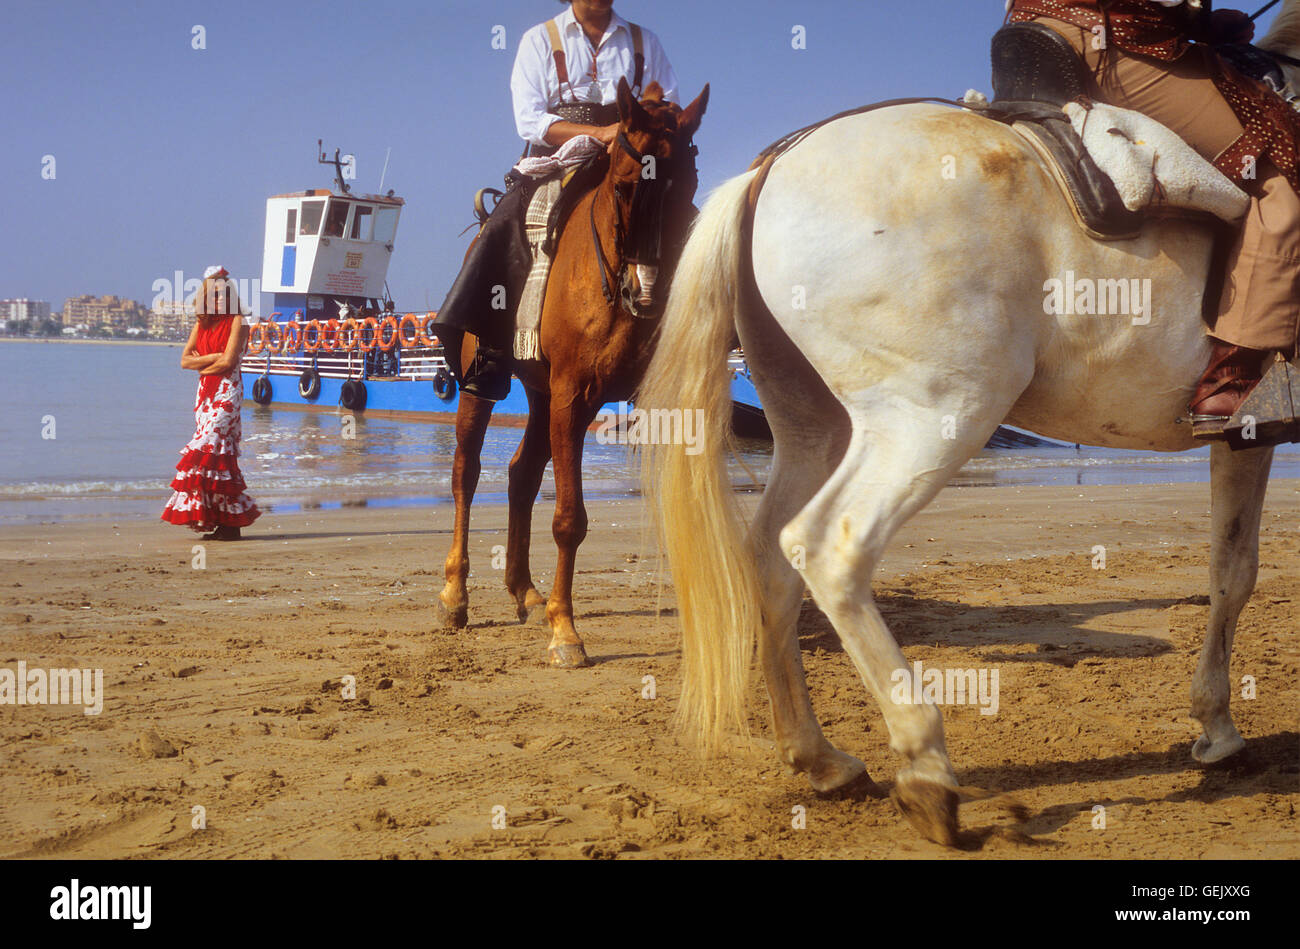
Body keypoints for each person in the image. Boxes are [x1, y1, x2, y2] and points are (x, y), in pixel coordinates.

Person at [1007, 0, 1300, 440]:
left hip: (1029, 39)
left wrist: (1203, 23)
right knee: (1277, 175)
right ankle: (1229, 382)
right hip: (1113, 46)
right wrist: (1191, 19)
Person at [432, 0, 680, 401]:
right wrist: (599, 134)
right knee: (505, 222)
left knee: (687, 221)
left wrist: (641, 134)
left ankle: (698, 342)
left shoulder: (645, 42)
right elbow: (529, 119)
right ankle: (491, 348)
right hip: (557, 159)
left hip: (631, 158)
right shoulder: (539, 40)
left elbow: (668, 106)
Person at [161, 266, 261, 540]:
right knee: (219, 457)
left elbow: (229, 362)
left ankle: (226, 519)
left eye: (225, 295)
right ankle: (227, 523)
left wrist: (204, 364)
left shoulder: (239, 321)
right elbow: (184, 361)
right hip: (204, 394)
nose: (220, 300)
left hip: (227, 392)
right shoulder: (201, 324)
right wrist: (213, 357)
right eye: (215, 295)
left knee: (207, 448)